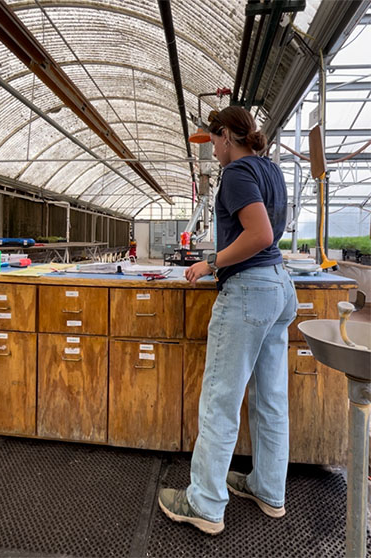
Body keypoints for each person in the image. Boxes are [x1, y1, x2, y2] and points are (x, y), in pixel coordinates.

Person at [158, 106, 298, 535]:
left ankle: (204, 503)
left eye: (213, 141)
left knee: (221, 399)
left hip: (249, 292)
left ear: (226, 136)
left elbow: (259, 235)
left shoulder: (236, 173)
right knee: (270, 399)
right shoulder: (270, 169)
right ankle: (268, 489)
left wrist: (211, 263)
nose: (213, 151)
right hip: (279, 288)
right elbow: (275, 232)